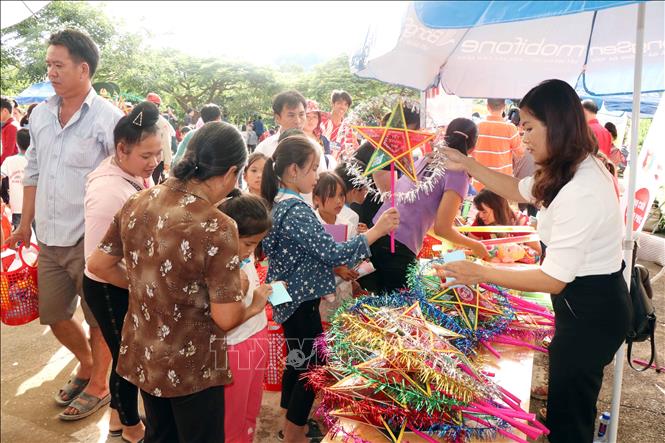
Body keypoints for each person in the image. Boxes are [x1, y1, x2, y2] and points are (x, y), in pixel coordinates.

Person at [437, 79, 630, 443]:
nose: (521, 137)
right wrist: (467, 164)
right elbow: (515, 188)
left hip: (592, 311)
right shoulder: (563, 167)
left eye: (528, 127)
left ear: (556, 124)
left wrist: (480, 272)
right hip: (579, 304)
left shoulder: (583, 187)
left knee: (569, 420)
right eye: (520, 127)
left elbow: (553, 279)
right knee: (566, 408)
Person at [87, 121, 269, 442]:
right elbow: (225, 317)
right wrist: (255, 304)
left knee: (160, 435)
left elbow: (98, 264)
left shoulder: (138, 200)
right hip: (192, 366)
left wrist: (146, 287)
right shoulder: (218, 225)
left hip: (145, 354)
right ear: (231, 172)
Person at [3, 29, 124, 420]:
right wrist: (26, 225)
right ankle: (87, 365)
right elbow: (34, 168)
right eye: (48, 64)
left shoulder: (109, 119)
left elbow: (127, 174)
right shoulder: (40, 114)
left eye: (59, 65)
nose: (51, 72)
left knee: (98, 319)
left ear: (83, 68)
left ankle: (100, 383)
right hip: (49, 236)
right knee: (54, 315)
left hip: (93, 240)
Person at [260, 135, 400, 443]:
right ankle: (294, 431)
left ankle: (289, 423)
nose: (315, 175)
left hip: (288, 295)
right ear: (293, 170)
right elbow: (332, 253)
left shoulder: (282, 203)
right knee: (312, 365)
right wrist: (377, 232)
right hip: (299, 298)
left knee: (298, 360)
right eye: (312, 169)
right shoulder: (295, 209)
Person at [82, 102, 161, 442]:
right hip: (108, 285)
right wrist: (139, 286)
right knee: (126, 360)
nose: (154, 162)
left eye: (157, 153)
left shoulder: (128, 174)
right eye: (146, 155)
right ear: (121, 150)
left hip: (122, 280)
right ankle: (130, 428)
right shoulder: (107, 193)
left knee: (125, 356)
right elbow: (97, 264)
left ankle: (118, 419)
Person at [364, 118, 488, 294]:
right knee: (397, 311)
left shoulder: (426, 159)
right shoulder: (458, 173)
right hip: (396, 247)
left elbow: (421, 212)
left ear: (446, 137)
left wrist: (455, 236)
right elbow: (442, 229)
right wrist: (474, 245)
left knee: (376, 307)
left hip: (376, 232)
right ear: (473, 148)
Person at [218, 193, 274, 443]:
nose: (251, 251)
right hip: (235, 345)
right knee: (232, 415)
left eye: (256, 244)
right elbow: (225, 321)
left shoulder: (243, 254)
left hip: (256, 333)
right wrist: (255, 305)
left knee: (251, 408)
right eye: (249, 243)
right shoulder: (220, 266)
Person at [470, 189, 542, 257]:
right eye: (479, 211)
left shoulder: (521, 224)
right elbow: (470, 247)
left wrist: (518, 253)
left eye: (484, 212)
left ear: (498, 209)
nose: (480, 215)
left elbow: (537, 253)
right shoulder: (480, 221)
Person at [471, 98, 523, 191]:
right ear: (504, 106)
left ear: (487, 106)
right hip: (502, 183)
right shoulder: (510, 128)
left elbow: (471, 152)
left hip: (479, 181)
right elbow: (520, 153)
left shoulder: (476, 126)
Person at [1, 128, 29, 228]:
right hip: (35, 205)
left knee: (19, 234)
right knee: (39, 235)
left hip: (17, 205)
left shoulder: (9, 160)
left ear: (17, 143)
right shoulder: (36, 160)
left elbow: (1, 175)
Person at [145, 92, 175, 183]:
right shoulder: (142, 119)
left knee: (153, 184)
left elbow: (166, 142)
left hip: (157, 160)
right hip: (143, 157)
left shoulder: (161, 122)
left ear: (157, 106)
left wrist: (167, 162)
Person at [320, 90, 358, 156]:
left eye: (346, 104)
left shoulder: (347, 128)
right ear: (332, 104)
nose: (342, 107)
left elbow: (347, 150)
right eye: (339, 103)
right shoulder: (321, 119)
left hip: (335, 164)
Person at [303, 99, 331, 168]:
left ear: (319, 120)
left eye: (315, 117)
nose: (311, 120)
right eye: (307, 116)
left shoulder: (323, 139)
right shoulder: (295, 137)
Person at [1, 96, 20, 165]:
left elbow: (8, 152)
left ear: (5, 111)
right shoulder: (12, 124)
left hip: (10, 167)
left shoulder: (11, 126)